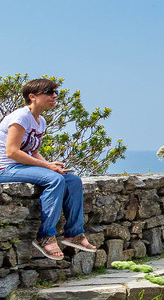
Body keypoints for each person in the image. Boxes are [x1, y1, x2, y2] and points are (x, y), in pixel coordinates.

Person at [0, 79, 94, 261]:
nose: (54, 96)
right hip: (5, 167)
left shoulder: (40, 120)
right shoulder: (20, 117)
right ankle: (45, 236)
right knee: (54, 180)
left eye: (55, 93)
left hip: (22, 166)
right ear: (32, 97)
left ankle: (74, 234)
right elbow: (12, 152)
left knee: (72, 180)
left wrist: (51, 166)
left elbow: (33, 151)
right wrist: (47, 167)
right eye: (49, 92)